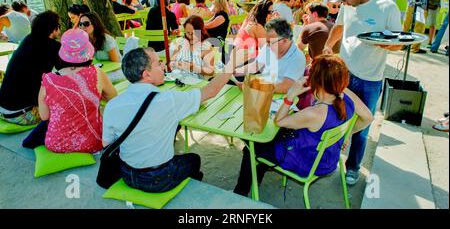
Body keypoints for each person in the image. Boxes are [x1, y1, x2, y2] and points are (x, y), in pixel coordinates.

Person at [102, 45, 244, 193]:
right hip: (158, 180)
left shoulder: (112, 105)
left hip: (127, 174)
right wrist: (231, 64)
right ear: (146, 74)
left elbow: (107, 143)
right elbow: (211, 90)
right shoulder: (168, 100)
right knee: (194, 159)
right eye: (158, 63)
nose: (163, 65)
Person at [233, 54, 374, 197]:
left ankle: (240, 192)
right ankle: (256, 179)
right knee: (270, 139)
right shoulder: (345, 94)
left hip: (309, 162)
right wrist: (347, 134)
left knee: (252, 146)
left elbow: (279, 121)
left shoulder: (315, 113)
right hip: (328, 156)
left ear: (317, 80)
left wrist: (290, 96)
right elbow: (368, 117)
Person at [323, 0, 402, 185]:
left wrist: (382, 43)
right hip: (344, 74)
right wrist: (328, 45)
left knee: (362, 127)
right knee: (335, 118)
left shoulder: (387, 7)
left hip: (369, 78)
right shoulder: (348, 6)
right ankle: (329, 160)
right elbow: (339, 28)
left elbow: (398, 43)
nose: (343, 4)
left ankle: (353, 167)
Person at [38, 29, 117, 153]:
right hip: (93, 142)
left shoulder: (48, 80)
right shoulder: (97, 73)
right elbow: (113, 98)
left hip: (56, 143)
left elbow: (44, 116)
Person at [0, 11, 61, 126]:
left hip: (3, 109)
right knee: (67, 104)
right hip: (20, 115)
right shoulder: (53, 46)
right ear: (54, 29)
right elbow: (66, 72)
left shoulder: (28, 39)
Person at [235, 18, 306, 94]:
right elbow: (256, 65)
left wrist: (254, 86)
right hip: (263, 93)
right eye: (267, 41)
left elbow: (284, 87)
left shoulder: (298, 58)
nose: (267, 45)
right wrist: (236, 71)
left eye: (270, 42)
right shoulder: (269, 47)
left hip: (282, 99)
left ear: (285, 40)